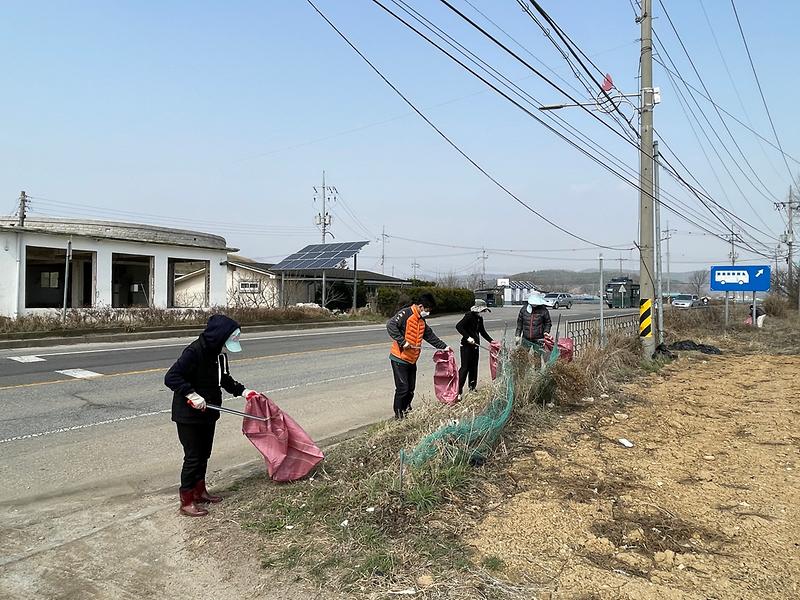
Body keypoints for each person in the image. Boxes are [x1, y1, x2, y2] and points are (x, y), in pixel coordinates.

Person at [164, 314, 257, 517]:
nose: (229, 345)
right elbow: (171, 377)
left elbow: (224, 379)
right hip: (188, 415)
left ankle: (200, 492)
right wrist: (192, 394)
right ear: (219, 336)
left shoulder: (219, 355)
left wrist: (243, 391)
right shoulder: (194, 352)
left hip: (210, 412)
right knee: (193, 457)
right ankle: (186, 500)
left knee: (204, 454)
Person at [386, 293, 451, 419]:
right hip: (399, 358)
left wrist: (444, 347)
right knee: (403, 388)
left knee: (410, 389)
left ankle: (406, 410)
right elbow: (390, 325)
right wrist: (403, 342)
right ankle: (399, 415)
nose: (428, 313)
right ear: (421, 306)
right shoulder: (406, 314)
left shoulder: (421, 320)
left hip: (412, 359)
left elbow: (430, 336)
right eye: (427, 310)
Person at [455, 299, 494, 399]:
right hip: (466, 346)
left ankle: (472, 387)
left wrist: (491, 341)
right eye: (483, 310)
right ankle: (458, 391)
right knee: (465, 368)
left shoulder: (479, 319)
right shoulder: (469, 316)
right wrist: (468, 337)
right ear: (478, 309)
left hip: (475, 346)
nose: (484, 312)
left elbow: (482, 332)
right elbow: (459, 326)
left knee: (474, 367)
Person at [515, 292, 553, 358]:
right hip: (526, 338)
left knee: (537, 358)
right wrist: (517, 335)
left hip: (539, 339)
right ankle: (524, 368)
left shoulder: (543, 310)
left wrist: (546, 332)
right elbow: (519, 323)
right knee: (522, 357)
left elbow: (548, 323)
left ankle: (537, 369)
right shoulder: (524, 310)